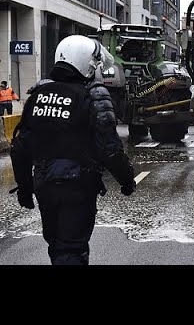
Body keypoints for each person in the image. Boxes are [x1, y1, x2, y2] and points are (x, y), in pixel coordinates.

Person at [10, 35, 137, 265]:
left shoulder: (39, 95)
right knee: (71, 250)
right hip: (78, 185)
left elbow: (20, 148)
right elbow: (110, 149)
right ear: (84, 63)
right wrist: (127, 180)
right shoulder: (93, 95)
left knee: (57, 246)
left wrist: (25, 190)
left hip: (44, 184)